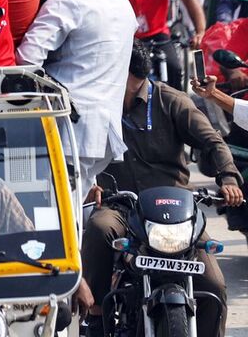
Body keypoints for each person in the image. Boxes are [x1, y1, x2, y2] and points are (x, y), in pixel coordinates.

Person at [77, 42, 240, 337]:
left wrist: (228, 177)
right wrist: (88, 181)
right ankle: (96, 316)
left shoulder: (171, 101)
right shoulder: (97, 105)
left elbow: (212, 142)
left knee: (214, 285)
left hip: (177, 211)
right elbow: (76, 151)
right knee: (99, 229)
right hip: (122, 206)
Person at [17, 0, 137, 190]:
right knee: (76, 214)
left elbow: (25, 62)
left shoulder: (66, 1)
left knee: (62, 220)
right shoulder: (122, 2)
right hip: (103, 133)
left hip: (71, 132)